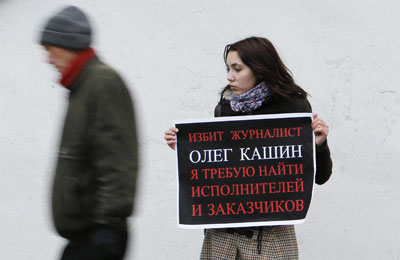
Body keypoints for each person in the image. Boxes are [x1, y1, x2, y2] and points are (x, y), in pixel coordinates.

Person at [164, 36, 332, 260]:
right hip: (223, 236)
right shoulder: (225, 107)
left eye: (237, 68)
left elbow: (319, 176)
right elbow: (221, 171)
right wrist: (187, 150)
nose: (229, 76)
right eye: (228, 68)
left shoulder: (293, 108)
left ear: (259, 69)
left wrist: (318, 145)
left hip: (270, 239)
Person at [39, 6, 138, 260]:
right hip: (86, 235)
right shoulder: (83, 86)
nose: (48, 59)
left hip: (99, 235)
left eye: (50, 49)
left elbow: (118, 160)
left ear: (67, 44)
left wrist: (108, 228)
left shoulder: (102, 83)